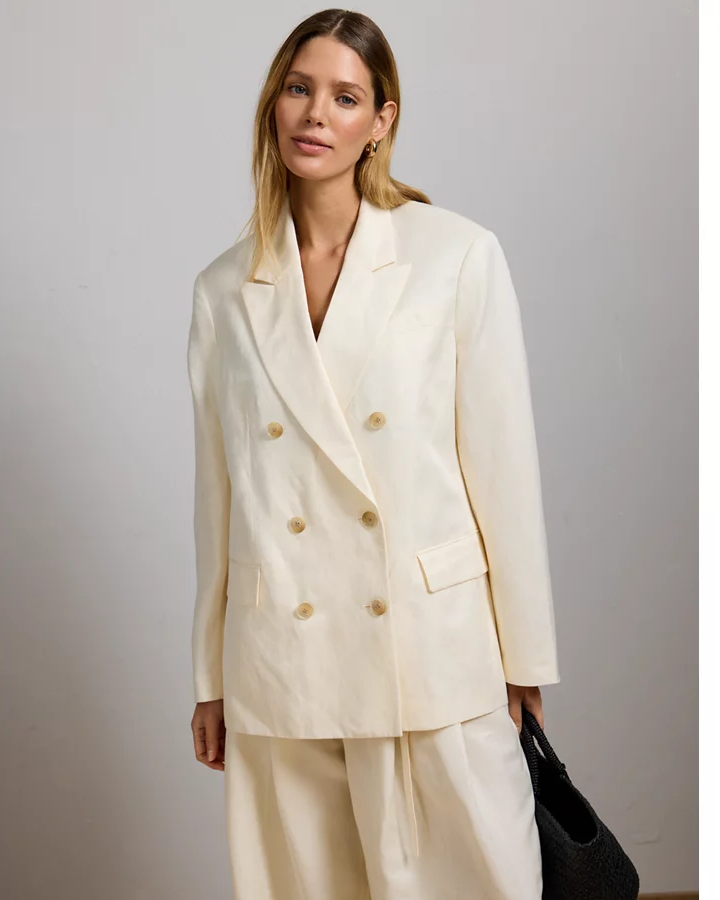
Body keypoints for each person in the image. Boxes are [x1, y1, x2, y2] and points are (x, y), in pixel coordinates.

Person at [187, 9, 560, 899]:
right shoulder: (223, 290)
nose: (316, 113)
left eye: (345, 97)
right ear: (274, 104)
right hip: (283, 654)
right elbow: (218, 497)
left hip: (428, 646)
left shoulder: (456, 255)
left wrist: (525, 660)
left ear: (381, 121)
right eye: (299, 88)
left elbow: (503, 471)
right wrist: (210, 675)